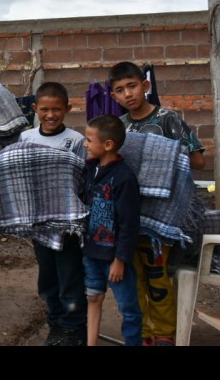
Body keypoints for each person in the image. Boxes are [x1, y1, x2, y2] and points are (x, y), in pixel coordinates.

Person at [109, 60, 206, 347]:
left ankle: (164, 332)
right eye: (120, 90)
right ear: (113, 96)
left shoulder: (168, 119)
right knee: (132, 277)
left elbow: (199, 161)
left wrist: (161, 156)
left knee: (157, 275)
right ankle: (141, 333)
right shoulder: (119, 127)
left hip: (161, 218)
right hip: (128, 218)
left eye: (132, 86)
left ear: (145, 86)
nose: (128, 94)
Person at [17, 81, 87, 345]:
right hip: (40, 223)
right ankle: (55, 321)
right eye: (44, 109)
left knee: (70, 274)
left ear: (67, 108)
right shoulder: (26, 138)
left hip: (67, 224)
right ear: (35, 108)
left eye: (56, 109)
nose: (50, 115)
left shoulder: (76, 141)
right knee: (47, 274)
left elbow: (82, 180)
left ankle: (73, 326)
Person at [81, 114, 142, 347]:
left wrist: (120, 260)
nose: (85, 144)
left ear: (107, 145)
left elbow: (129, 224)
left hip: (114, 258)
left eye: (89, 140)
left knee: (128, 308)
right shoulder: (90, 169)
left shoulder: (124, 178)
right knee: (93, 298)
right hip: (91, 253)